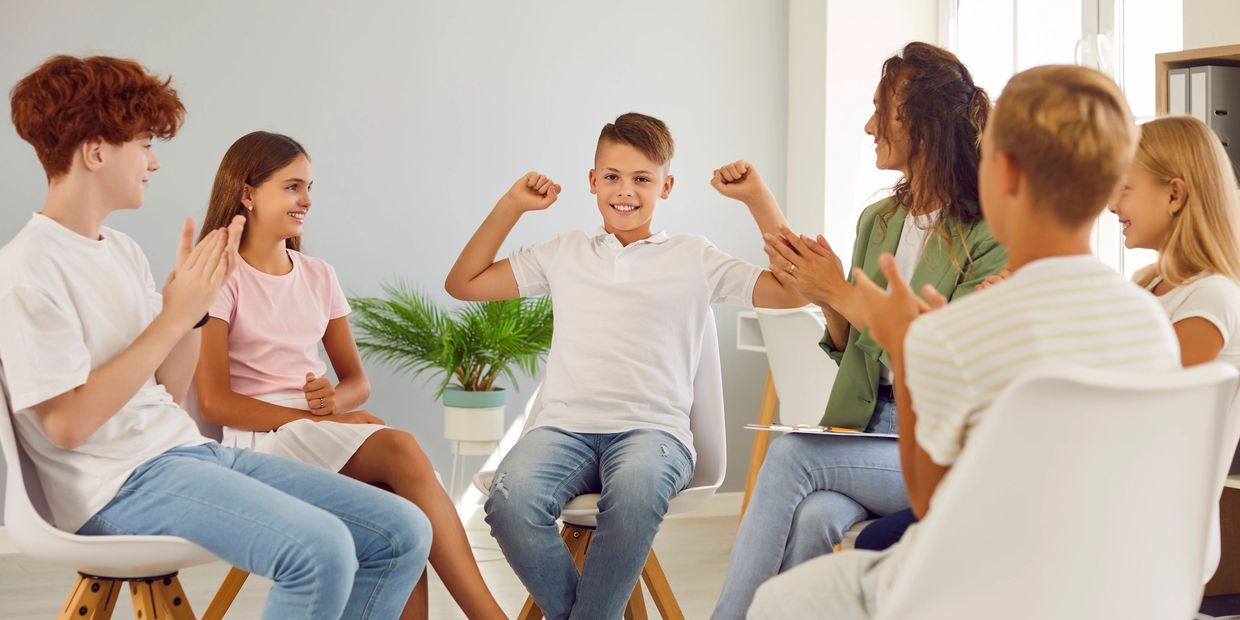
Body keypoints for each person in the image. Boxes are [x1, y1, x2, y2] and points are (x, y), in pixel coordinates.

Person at [0, 55, 429, 620]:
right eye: (145, 143)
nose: (153, 162)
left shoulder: (121, 251)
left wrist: (194, 310)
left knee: (400, 530)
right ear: (96, 150)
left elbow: (167, 389)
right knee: (320, 552)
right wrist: (173, 319)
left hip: (187, 453)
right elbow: (67, 426)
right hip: (114, 485)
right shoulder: (28, 267)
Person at [748, 64, 1180, 620]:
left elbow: (936, 500)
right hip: (1113, 589)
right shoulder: (1147, 322)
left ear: (1002, 172)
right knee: (814, 522)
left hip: (986, 586)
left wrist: (910, 350)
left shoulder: (980, 329)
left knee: (783, 604)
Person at [444, 112, 806, 619]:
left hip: (653, 434)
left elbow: (792, 291)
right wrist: (513, 207)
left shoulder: (694, 256)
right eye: (612, 177)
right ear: (592, 182)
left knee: (634, 500)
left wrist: (757, 199)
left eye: (642, 179)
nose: (625, 191)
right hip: (563, 430)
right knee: (509, 502)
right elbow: (463, 284)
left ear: (667, 185)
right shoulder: (565, 251)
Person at [710, 42, 1005, 618]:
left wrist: (841, 290)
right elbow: (851, 348)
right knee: (815, 515)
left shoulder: (987, 230)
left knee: (791, 456)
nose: (870, 125)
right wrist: (827, 297)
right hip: (865, 428)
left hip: (937, 442)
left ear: (921, 123)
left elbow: (947, 351)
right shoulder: (881, 220)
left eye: (881, 109)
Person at [194, 130, 506, 619]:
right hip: (260, 442)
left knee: (400, 508)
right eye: (292, 187)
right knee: (400, 449)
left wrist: (332, 404)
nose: (306, 200)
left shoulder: (318, 274)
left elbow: (357, 383)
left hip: (317, 427)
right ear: (248, 193)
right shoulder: (220, 277)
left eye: (309, 187)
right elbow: (214, 403)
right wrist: (322, 422)